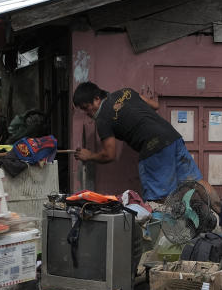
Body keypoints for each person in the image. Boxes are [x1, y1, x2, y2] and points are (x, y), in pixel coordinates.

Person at [73, 82, 212, 202]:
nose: (87, 112)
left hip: (153, 148)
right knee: (197, 183)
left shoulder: (103, 118)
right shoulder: (126, 92)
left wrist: (89, 155)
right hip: (172, 137)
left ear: (97, 99)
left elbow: (109, 155)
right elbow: (155, 105)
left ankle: (161, 232)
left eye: (86, 108)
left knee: (158, 199)